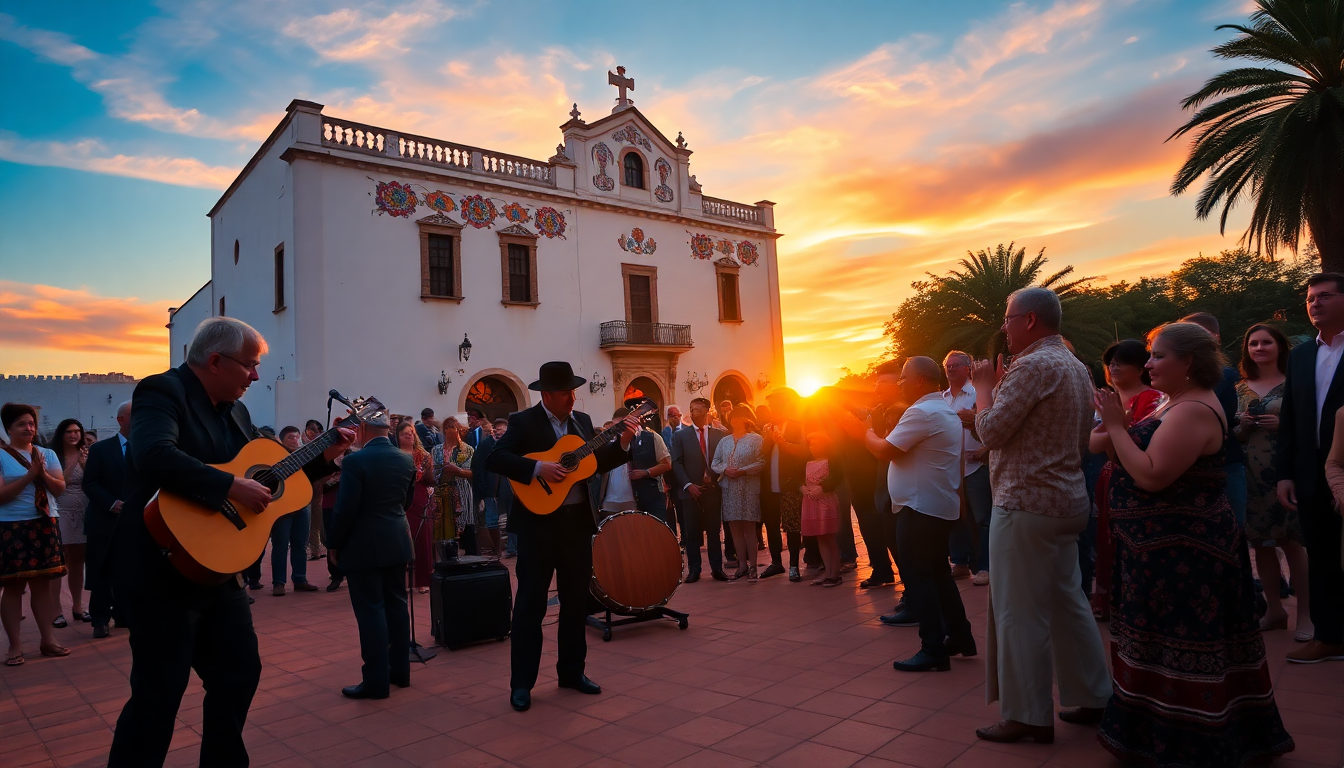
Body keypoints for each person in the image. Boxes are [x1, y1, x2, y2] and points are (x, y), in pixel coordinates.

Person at [107, 317, 351, 767]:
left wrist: (324, 460)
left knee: (239, 674)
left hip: (221, 569)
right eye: (250, 366)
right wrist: (227, 486)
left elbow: (268, 479)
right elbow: (154, 455)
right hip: (162, 569)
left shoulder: (237, 412)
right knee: (158, 695)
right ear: (215, 361)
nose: (256, 376)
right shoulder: (161, 391)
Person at [1096, 322, 1295, 765]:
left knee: (1185, 645)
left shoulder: (1192, 411)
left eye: (1158, 356)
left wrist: (1114, 427)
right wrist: (1117, 432)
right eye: (1149, 354)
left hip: (1185, 555)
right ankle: (1147, 731)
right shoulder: (1173, 403)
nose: (1148, 363)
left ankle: (1188, 740)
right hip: (1156, 551)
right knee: (1156, 643)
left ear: (1189, 362)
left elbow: (1150, 474)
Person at [970, 287, 1112, 745]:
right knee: (1068, 604)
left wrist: (984, 390)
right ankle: (1093, 695)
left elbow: (991, 431)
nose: (1004, 329)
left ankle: (1027, 714)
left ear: (1029, 320)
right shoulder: (1074, 365)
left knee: (1018, 613)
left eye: (1008, 320)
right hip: (1066, 500)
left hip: (1025, 504)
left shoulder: (1030, 366)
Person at [486, 361, 636, 712]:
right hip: (539, 528)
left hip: (576, 526)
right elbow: (496, 458)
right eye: (566, 392)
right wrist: (539, 467)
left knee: (575, 605)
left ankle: (572, 672)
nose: (572, 398)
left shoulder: (582, 423)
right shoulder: (524, 422)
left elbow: (593, 464)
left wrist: (624, 441)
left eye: (573, 391)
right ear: (548, 395)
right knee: (530, 607)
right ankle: (522, 683)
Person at [848, 357, 975, 671]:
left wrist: (862, 432)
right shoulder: (941, 409)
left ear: (920, 381)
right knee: (938, 575)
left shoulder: (922, 412)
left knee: (919, 578)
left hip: (920, 508)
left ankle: (933, 649)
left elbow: (885, 449)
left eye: (904, 377)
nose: (900, 383)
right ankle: (959, 636)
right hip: (935, 506)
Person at [1276, 273, 1344, 664]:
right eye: (1310, 298)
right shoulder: (1301, 356)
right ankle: (1330, 635)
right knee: (1322, 555)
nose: (1315, 303)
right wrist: (1285, 472)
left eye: (1325, 296)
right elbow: (1291, 418)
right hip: (1310, 471)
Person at [327, 409, 417, 699]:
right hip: (396, 539)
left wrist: (333, 544)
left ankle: (376, 680)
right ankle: (400, 672)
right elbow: (406, 501)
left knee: (370, 611)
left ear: (363, 428)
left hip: (363, 543)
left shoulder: (356, 461)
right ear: (387, 430)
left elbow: (345, 508)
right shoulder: (405, 459)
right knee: (397, 606)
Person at [1236, 323, 1312, 641]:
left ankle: (1307, 616)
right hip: (1250, 476)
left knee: (1294, 544)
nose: (1259, 348)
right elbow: (1230, 435)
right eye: (1253, 343)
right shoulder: (1239, 389)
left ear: (1280, 346)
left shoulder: (1296, 382)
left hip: (1286, 474)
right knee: (1261, 544)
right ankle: (1274, 611)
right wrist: (1239, 425)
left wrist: (1283, 424)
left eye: (1266, 342)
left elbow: (1312, 426)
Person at [1087, 339, 1161, 621]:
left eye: (1122, 362)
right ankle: (1113, 602)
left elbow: (1133, 443)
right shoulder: (1110, 399)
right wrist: (1118, 429)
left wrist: (1115, 431)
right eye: (1111, 362)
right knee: (1107, 539)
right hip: (1111, 475)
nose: (1114, 367)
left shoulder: (1153, 398)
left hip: (1138, 477)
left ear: (1140, 366)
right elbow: (1093, 444)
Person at [0, 402, 68, 666]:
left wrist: (42, 475)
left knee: (43, 587)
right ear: (8, 429)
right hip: (12, 527)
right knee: (13, 587)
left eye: (31, 423)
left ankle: (47, 640)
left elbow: (60, 488)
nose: (28, 428)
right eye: (21, 424)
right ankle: (14, 646)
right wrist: (30, 476)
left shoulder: (46, 454)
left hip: (44, 523)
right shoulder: (2, 455)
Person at [83, 400, 131, 637]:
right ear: (121, 420)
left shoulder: (148, 448)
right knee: (102, 572)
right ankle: (100, 619)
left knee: (129, 571)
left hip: (135, 522)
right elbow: (89, 483)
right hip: (104, 520)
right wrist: (112, 504)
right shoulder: (101, 450)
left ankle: (124, 615)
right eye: (134, 415)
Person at [942, 351, 989, 585]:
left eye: (955, 365)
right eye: (947, 365)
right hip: (951, 467)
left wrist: (985, 449)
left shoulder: (977, 394)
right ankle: (959, 563)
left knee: (981, 518)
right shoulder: (942, 398)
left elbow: (991, 421)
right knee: (955, 517)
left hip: (976, 466)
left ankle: (986, 567)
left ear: (967, 369)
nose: (950, 369)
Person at [670, 398, 729, 583]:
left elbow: (724, 459)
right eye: (692, 410)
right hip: (690, 491)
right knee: (692, 532)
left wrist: (715, 475)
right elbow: (676, 462)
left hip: (712, 489)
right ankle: (694, 569)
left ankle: (717, 568)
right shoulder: (681, 436)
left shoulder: (719, 435)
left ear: (706, 412)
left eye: (699, 411)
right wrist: (688, 484)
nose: (695, 414)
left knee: (713, 530)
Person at [712, 403, 766, 582]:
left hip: (748, 487)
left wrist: (744, 470)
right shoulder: (724, 441)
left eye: (739, 416)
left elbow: (762, 462)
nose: (735, 420)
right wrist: (725, 470)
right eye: (732, 417)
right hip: (730, 488)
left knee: (749, 527)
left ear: (747, 418)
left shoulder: (756, 439)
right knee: (734, 528)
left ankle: (753, 567)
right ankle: (741, 564)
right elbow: (715, 463)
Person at [761, 388, 809, 582]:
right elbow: (763, 453)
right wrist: (767, 438)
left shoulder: (796, 426)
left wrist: (783, 442)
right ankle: (776, 562)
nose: (773, 409)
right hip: (769, 484)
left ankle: (794, 566)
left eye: (776, 405)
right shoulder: (768, 426)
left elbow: (804, 452)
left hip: (789, 483)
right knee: (771, 525)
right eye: (772, 406)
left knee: (791, 526)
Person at [268, 426, 319, 596]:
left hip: (301, 504)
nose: (295, 440)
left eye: (297, 437)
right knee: (280, 544)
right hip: (282, 506)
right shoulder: (275, 457)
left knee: (300, 544)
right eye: (291, 437)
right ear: (282, 440)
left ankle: (300, 579)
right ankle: (279, 582)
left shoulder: (303, 457)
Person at [53, 418, 91, 626]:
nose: (74, 435)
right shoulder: (54, 457)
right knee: (59, 563)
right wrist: (75, 462)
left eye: (77, 431)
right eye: (69, 431)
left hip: (83, 510)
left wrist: (85, 465)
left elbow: (92, 483)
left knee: (78, 561)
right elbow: (59, 483)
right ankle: (56, 611)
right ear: (62, 434)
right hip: (60, 511)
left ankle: (78, 606)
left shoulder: (88, 455)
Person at [394, 420, 438, 591]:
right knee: (400, 540)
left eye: (411, 432)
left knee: (423, 540)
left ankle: (423, 581)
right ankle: (400, 581)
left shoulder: (423, 455)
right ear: (398, 436)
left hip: (420, 497)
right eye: (405, 433)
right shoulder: (394, 455)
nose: (409, 435)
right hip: (400, 498)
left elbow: (430, 480)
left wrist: (431, 470)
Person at [799, 432, 844, 586]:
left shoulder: (832, 461)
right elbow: (795, 478)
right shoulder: (806, 462)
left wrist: (823, 487)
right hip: (811, 501)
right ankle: (827, 570)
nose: (814, 447)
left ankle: (835, 573)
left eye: (817, 444)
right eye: (811, 444)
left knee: (829, 536)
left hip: (826, 501)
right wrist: (802, 488)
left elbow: (838, 478)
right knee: (820, 537)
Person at [432, 417, 475, 552]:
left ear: (459, 430)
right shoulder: (436, 450)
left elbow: (473, 472)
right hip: (442, 492)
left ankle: (470, 558)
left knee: (467, 527)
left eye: (453, 428)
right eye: (447, 428)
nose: (450, 431)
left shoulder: (467, 450)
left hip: (462, 490)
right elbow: (432, 470)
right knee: (445, 527)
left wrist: (457, 470)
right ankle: (447, 557)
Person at [492, 418, 517, 558]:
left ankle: (513, 547)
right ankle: (511, 546)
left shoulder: (513, 445)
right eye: (497, 430)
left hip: (512, 486)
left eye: (501, 430)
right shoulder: (495, 445)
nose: (498, 432)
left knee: (512, 517)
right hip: (501, 486)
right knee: (505, 519)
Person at [303, 419, 328, 561]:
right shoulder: (302, 447)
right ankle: (311, 550)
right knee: (307, 519)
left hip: (318, 489)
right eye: (309, 429)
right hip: (305, 488)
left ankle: (316, 549)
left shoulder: (322, 448)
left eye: (315, 430)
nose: (312, 432)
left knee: (317, 520)